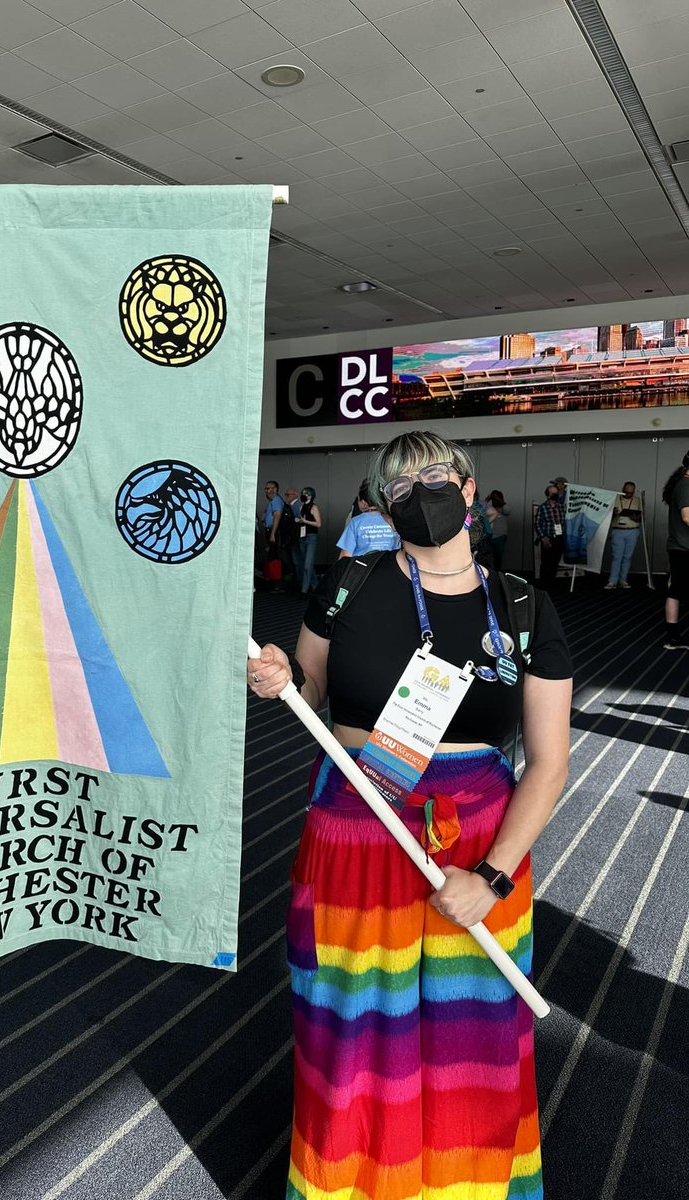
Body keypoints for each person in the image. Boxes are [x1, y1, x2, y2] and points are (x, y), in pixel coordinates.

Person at [248, 430, 572, 1200]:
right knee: (352, 1031)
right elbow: (311, 686)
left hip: (479, 844)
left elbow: (549, 761)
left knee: (474, 1038)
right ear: (384, 507)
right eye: (399, 485)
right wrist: (277, 675)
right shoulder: (351, 580)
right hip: (358, 823)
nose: (420, 492)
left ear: (468, 489)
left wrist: (491, 879)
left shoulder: (521, 604)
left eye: (436, 476)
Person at [662, 451, 689, 650]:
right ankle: (672, 637)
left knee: (676, 590)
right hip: (683, 548)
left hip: (680, 546)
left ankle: (673, 637)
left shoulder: (682, 484)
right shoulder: (686, 486)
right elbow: (687, 517)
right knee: (676, 591)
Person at [336, 485, 401, 557]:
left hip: (361, 566)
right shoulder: (392, 521)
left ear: (363, 503)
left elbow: (345, 555)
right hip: (389, 565)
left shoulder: (355, 522)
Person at [605, 481, 642, 590]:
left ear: (634, 492)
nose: (628, 495)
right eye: (626, 492)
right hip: (618, 530)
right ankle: (612, 581)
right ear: (622, 490)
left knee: (627, 557)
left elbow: (642, 517)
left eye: (630, 493)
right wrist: (613, 514)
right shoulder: (615, 499)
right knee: (617, 557)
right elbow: (606, 516)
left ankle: (623, 580)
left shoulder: (638, 501)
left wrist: (636, 517)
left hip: (632, 530)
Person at [534, 483, 565, 589]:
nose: (556, 495)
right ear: (548, 495)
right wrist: (543, 538)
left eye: (556, 493)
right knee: (546, 563)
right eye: (553, 493)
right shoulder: (543, 508)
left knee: (555, 562)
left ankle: (551, 583)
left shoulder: (561, 507)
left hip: (559, 538)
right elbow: (537, 524)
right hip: (548, 538)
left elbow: (563, 522)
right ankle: (543, 585)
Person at [295, 486, 322, 595]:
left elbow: (319, 523)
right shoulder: (302, 507)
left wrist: (305, 521)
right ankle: (317, 588)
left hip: (311, 537)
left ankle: (304, 590)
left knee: (307, 565)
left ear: (310, 495)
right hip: (302, 537)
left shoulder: (314, 507)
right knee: (307, 565)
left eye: (305, 494)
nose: (303, 495)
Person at [486, 489, 510, 569]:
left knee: (498, 558)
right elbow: (481, 508)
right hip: (489, 536)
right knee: (487, 557)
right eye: (494, 499)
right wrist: (488, 499)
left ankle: (498, 575)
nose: (495, 500)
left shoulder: (504, 508)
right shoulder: (490, 508)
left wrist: (500, 500)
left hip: (500, 536)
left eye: (496, 498)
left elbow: (508, 511)